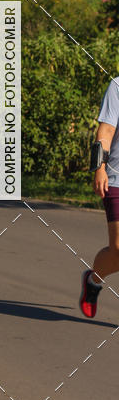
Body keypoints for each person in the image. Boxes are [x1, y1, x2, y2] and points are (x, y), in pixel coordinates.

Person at [80, 76, 119, 317]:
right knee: (118, 248)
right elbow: (105, 130)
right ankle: (93, 281)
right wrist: (99, 167)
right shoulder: (118, 86)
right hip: (117, 177)